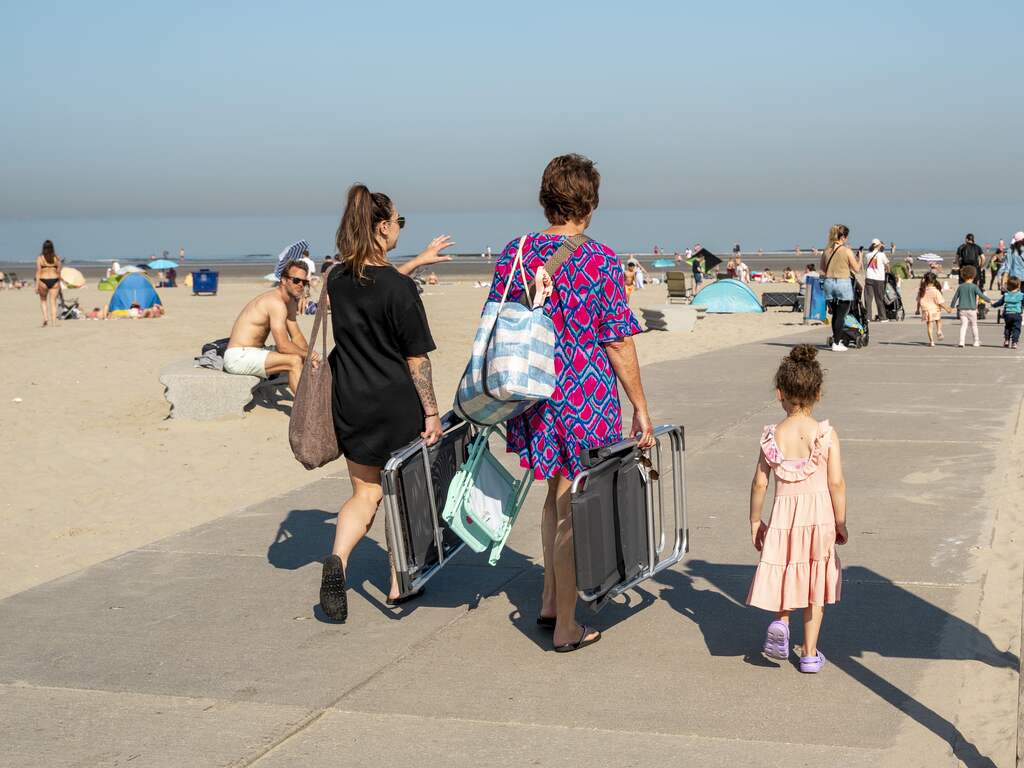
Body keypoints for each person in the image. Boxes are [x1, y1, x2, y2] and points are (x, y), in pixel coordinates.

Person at [482, 153, 654, 653]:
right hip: (584, 394)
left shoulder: (516, 253)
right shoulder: (599, 260)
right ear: (590, 203)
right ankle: (566, 626)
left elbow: (499, 317)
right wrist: (640, 404)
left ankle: (551, 599)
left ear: (546, 199)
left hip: (534, 391)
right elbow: (618, 341)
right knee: (574, 507)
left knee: (554, 494)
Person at [318, 184, 454, 621]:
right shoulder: (399, 289)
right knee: (405, 492)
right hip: (396, 403)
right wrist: (432, 413)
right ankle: (400, 583)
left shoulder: (336, 279)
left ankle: (337, 559)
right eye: (398, 221)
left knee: (366, 492)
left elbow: (373, 283)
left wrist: (414, 264)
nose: (400, 227)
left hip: (351, 400)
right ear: (381, 228)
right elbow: (417, 359)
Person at [747, 345, 846, 672]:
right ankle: (809, 654)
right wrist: (841, 521)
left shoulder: (772, 436)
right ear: (819, 393)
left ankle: (781, 621)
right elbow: (836, 483)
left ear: (780, 394)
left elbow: (760, 482)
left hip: (784, 517)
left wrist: (755, 520)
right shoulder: (825, 434)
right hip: (819, 519)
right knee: (815, 579)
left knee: (789, 568)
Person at [224, 260, 317, 393]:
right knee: (294, 360)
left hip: (255, 351)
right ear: (284, 280)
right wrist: (307, 355)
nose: (301, 285)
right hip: (238, 356)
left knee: (301, 356)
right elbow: (283, 346)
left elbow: (296, 336)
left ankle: (308, 397)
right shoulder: (275, 302)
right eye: (296, 280)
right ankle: (306, 409)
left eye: (304, 282)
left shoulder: (290, 303)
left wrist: (310, 358)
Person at [820, 224, 862, 352]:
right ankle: (837, 342)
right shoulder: (846, 251)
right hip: (842, 283)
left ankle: (836, 339)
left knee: (835, 314)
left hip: (828, 283)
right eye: (847, 237)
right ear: (843, 237)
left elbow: (822, 270)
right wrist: (859, 258)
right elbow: (856, 268)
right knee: (841, 315)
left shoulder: (826, 251)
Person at [950, 266, 987, 347]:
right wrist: (990, 300)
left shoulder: (961, 286)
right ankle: (976, 341)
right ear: (974, 276)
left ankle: (961, 342)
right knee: (974, 325)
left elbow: (955, 297)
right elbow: (981, 295)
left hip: (962, 310)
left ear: (963, 276)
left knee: (963, 325)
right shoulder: (974, 286)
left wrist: (951, 307)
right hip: (972, 310)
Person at [916, 272, 951, 347]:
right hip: (935, 310)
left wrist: (917, 310)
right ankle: (939, 330)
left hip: (926, 311)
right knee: (938, 321)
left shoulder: (922, 290)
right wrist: (947, 309)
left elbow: (918, 301)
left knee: (929, 326)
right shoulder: (936, 291)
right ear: (934, 281)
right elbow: (941, 302)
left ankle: (931, 342)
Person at [35, 239, 62, 327]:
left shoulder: (40, 258)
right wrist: (59, 281)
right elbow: (59, 271)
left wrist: (36, 285)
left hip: (43, 280)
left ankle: (46, 318)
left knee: (43, 300)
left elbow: (38, 272)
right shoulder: (56, 257)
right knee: (53, 302)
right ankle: (54, 322)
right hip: (54, 280)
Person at [863, 238, 889, 322]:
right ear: (878, 245)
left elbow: (866, 264)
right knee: (879, 298)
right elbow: (887, 265)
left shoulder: (867, 255)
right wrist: (888, 272)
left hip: (869, 277)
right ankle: (882, 317)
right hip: (879, 278)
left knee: (868, 299)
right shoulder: (881, 255)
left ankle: (868, 317)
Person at [992, 277, 1023, 349]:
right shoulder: (1021, 295)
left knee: (1008, 327)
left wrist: (993, 305)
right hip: (1017, 314)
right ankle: (1014, 342)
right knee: (1016, 328)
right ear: (1019, 286)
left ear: (1008, 286)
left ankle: (1006, 340)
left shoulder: (1006, 295)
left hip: (1007, 314)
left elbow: (1000, 303)